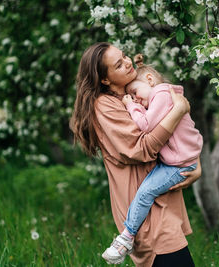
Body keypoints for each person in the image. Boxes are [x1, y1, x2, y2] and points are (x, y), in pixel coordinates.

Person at [70, 42, 202, 267]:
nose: (128, 62)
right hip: (146, 214)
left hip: (161, 204)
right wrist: (179, 110)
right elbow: (143, 148)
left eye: (124, 56)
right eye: (118, 64)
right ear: (105, 79)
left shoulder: (140, 93)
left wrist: (194, 164)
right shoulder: (105, 106)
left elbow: (177, 134)